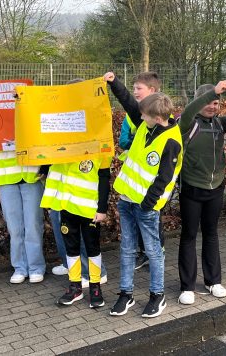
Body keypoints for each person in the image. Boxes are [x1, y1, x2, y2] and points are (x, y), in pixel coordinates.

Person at [104, 72, 185, 319]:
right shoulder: (145, 123)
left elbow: (164, 178)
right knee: (127, 248)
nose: (140, 117)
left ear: (158, 118)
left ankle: (156, 295)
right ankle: (125, 294)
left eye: (145, 115)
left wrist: (148, 204)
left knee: (153, 251)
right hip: (127, 201)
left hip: (147, 207)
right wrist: (114, 83)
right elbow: (130, 103)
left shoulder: (171, 141)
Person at [176, 81, 226, 305]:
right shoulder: (187, 123)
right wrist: (212, 92)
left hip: (215, 188)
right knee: (189, 235)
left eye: (216, 103)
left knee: (211, 233)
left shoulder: (219, 123)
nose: (211, 106)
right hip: (191, 187)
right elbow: (188, 111)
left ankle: (213, 281)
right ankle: (187, 286)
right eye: (208, 101)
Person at [39, 151, 111, 308]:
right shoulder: (64, 143)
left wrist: (102, 208)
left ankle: (95, 287)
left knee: (93, 249)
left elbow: (105, 177)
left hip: (89, 210)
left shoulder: (100, 145)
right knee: (71, 249)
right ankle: (75, 287)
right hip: (67, 207)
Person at [118, 72, 163, 271]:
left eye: (138, 88)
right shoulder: (136, 115)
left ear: (152, 91)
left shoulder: (162, 117)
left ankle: (155, 255)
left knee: (152, 222)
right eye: (133, 88)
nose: (134, 92)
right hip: (135, 182)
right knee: (139, 220)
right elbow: (124, 139)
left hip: (152, 184)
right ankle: (146, 253)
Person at [0, 151, 46, 284]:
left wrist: (44, 167)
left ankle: (36, 267)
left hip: (32, 175)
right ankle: (20, 268)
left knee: (33, 225)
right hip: (6, 176)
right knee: (14, 228)